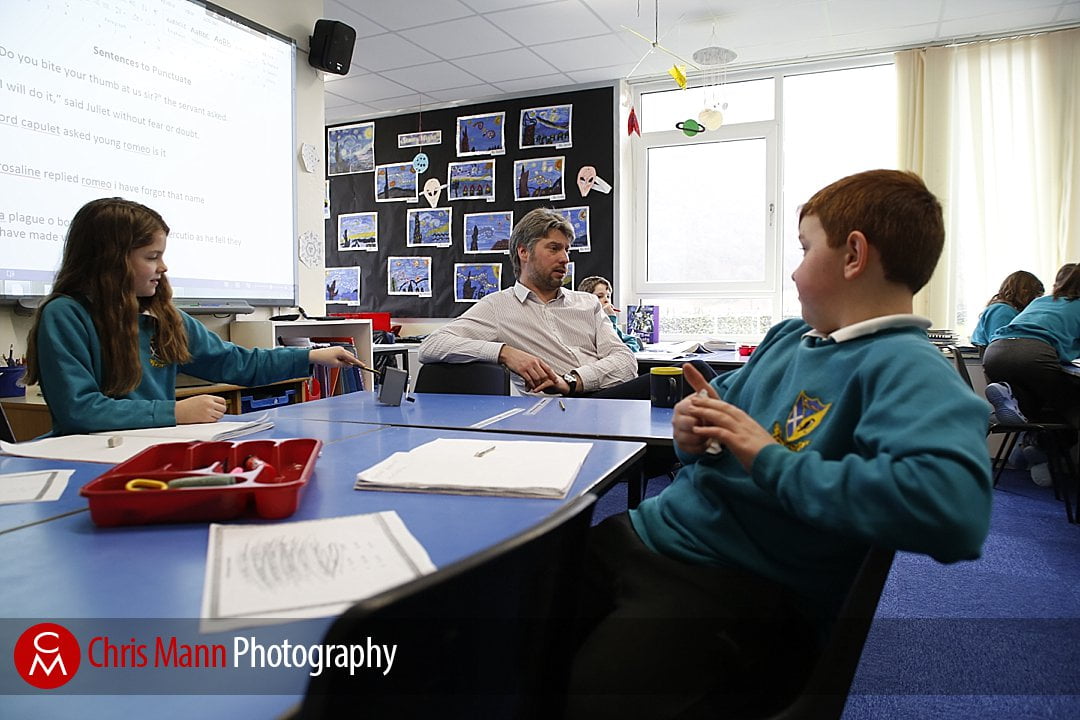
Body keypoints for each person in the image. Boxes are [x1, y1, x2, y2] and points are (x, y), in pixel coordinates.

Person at [564, 170, 992, 718]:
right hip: (646, 535)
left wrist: (767, 456)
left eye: (805, 248)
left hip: (732, 586)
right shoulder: (788, 338)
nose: (793, 269)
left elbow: (955, 511)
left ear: (854, 255)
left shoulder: (906, 366)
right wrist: (691, 429)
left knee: (585, 700)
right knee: (485, 628)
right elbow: (715, 420)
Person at [24, 197, 364, 437]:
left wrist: (310, 355)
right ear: (111, 260)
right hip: (85, 455)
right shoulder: (65, 316)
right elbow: (79, 410)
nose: (163, 267)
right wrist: (175, 412)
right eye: (152, 256)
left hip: (148, 448)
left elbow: (235, 363)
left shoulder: (161, 317)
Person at [419, 208, 638, 396]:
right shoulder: (498, 307)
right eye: (554, 248)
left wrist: (572, 381)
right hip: (557, 411)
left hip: (608, 398)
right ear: (523, 252)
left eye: (566, 249)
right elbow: (431, 346)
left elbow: (626, 361)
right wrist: (504, 353)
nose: (565, 259)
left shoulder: (588, 303)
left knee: (664, 380)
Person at [983, 263, 1080, 427]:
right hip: (1033, 354)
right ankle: (1043, 449)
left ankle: (1014, 396)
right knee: (1071, 405)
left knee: (1037, 405)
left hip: (995, 353)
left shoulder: (1041, 301)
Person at [970, 270, 1044, 352]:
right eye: (1037, 295)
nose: (1037, 300)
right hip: (995, 358)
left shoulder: (1007, 310)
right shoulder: (1002, 311)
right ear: (1025, 292)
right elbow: (1001, 345)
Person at [577, 275, 642, 352]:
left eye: (608, 296)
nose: (606, 300)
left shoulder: (605, 320)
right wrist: (611, 318)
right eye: (600, 296)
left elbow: (631, 341)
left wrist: (623, 349)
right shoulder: (581, 323)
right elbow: (608, 345)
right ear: (585, 299)